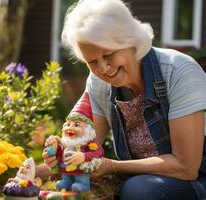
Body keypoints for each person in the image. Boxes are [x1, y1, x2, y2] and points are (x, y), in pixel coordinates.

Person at [41, 0, 206, 199]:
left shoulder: (179, 71)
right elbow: (81, 148)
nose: (102, 69)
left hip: (196, 180)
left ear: (131, 41)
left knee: (139, 189)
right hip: (139, 179)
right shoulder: (98, 83)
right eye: (92, 61)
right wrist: (52, 161)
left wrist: (112, 166)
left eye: (109, 54)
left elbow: (186, 167)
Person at [44, 93, 104, 192]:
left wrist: (84, 156)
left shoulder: (89, 144)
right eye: (68, 124)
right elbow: (60, 152)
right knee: (65, 179)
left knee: (80, 181)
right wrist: (53, 149)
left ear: (87, 130)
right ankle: (66, 182)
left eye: (76, 125)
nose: (70, 128)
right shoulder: (65, 143)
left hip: (80, 171)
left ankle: (83, 185)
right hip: (65, 170)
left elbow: (98, 152)